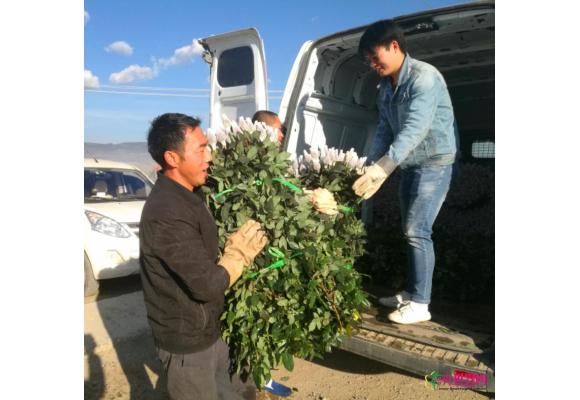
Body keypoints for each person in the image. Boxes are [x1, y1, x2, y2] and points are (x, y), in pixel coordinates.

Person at [140, 113, 268, 400]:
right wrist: (237, 257)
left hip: (210, 329)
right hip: (187, 343)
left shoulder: (191, 193)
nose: (208, 156)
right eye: (200, 149)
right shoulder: (166, 213)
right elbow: (206, 284)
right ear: (172, 158)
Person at [352, 20, 457, 324]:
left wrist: (384, 167)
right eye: (368, 61)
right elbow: (385, 128)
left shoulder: (424, 78)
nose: (373, 65)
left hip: (434, 162)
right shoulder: (385, 87)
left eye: (375, 57)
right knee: (409, 231)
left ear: (394, 46)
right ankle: (412, 292)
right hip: (410, 164)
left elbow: (415, 129)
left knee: (417, 230)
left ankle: (421, 304)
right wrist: (369, 165)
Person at [252, 110, 339, 216]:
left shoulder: (278, 160)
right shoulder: (255, 159)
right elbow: (263, 184)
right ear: (266, 129)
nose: (283, 135)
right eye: (281, 129)